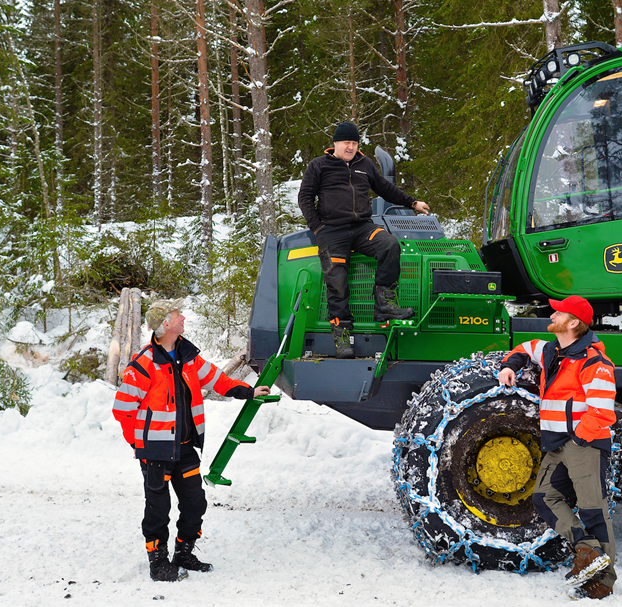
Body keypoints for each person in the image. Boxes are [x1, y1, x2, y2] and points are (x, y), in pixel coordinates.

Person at [112, 298, 271, 582]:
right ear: (166, 324)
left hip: (185, 448)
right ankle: (158, 563)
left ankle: (183, 553)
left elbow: (217, 380)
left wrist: (250, 391)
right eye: (177, 313)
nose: (183, 316)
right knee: (158, 510)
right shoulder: (143, 365)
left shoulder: (188, 356)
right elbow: (123, 410)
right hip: (156, 453)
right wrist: (139, 446)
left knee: (195, 503)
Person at [496, 296, 617, 600]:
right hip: (557, 445)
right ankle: (587, 550)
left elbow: (602, 411)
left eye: (558, 312)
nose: (552, 314)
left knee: (593, 511)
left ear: (574, 322)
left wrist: (577, 441)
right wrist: (510, 365)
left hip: (583, 445)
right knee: (543, 498)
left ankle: (602, 582)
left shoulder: (594, 362)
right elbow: (525, 348)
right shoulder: (552, 350)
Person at [298, 121, 431, 359]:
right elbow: (305, 198)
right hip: (332, 231)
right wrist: (318, 228)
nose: (350, 147)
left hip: (361, 228)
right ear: (335, 143)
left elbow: (385, 188)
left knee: (389, 245)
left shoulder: (364, 165)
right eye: (346, 143)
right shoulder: (319, 165)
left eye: (354, 143)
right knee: (337, 283)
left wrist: (412, 202)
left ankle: (385, 306)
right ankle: (341, 337)